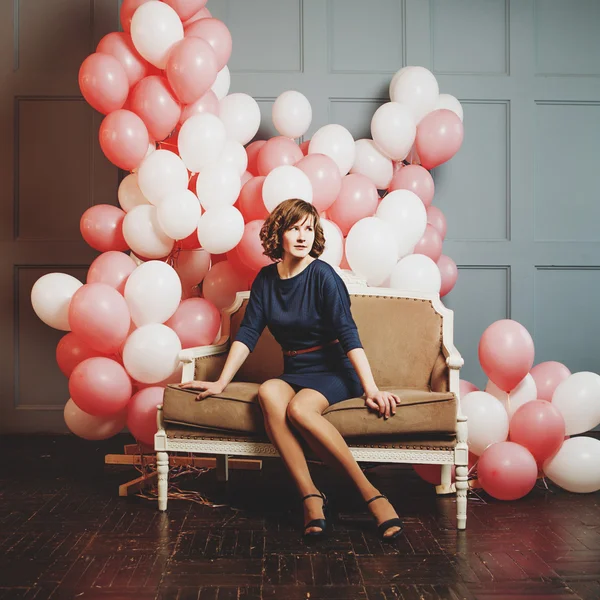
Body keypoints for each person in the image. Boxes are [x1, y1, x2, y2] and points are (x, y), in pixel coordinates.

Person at [178, 198, 403, 541]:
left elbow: (348, 334)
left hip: (333, 370)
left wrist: (370, 388)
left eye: (309, 229)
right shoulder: (266, 280)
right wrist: (221, 381)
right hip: (296, 368)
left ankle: (371, 494)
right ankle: (310, 496)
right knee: (268, 392)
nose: (302, 236)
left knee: (299, 409)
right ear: (278, 234)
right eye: (294, 228)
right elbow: (249, 333)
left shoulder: (324, 276)